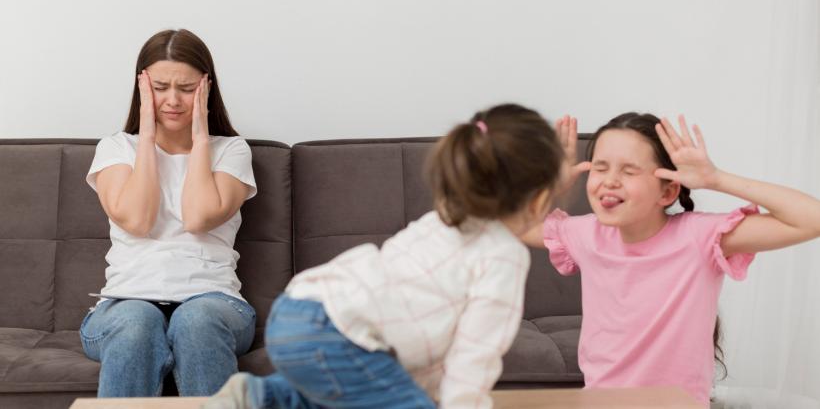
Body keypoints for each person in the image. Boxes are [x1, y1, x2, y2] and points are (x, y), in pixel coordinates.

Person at [205, 103, 566, 408]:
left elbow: (415, 358)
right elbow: (474, 358)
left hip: (300, 310)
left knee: (355, 389)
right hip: (338, 333)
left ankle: (261, 396)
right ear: (538, 199)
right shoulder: (503, 256)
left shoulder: (440, 221)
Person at [524, 113, 820, 406]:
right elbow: (508, 223)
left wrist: (716, 179)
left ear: (667, 192)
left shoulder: (698, 237)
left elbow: (811, 219)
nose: (610, 181)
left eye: (629, 171)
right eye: (600, 168)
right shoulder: (586, 234)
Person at [80, 29, 258, 397]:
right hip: (125, 302)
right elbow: (138, 220)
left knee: (195, 321)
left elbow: (198, 217)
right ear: (142, 87)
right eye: (160, 87)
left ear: (207, 88)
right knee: (137, 321)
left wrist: (200, 139)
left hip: (214, 302)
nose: (173, 100)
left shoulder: (231, 151)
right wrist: (146, 135)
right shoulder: (116, 149)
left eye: (187, 88)